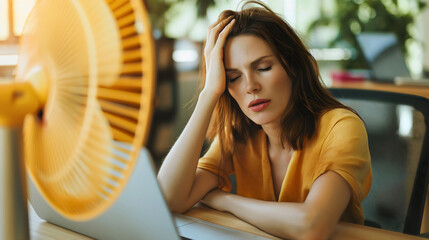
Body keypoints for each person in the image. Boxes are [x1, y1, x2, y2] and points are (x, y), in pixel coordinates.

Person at [157, 1, 372, 239]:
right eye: (234, 77)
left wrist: (223, 199)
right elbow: (168, 198)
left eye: (263, 67)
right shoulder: (239, 132)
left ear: (292, 66)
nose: (250, 86)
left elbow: (312, 226)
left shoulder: (341, 127)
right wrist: (209, 93)